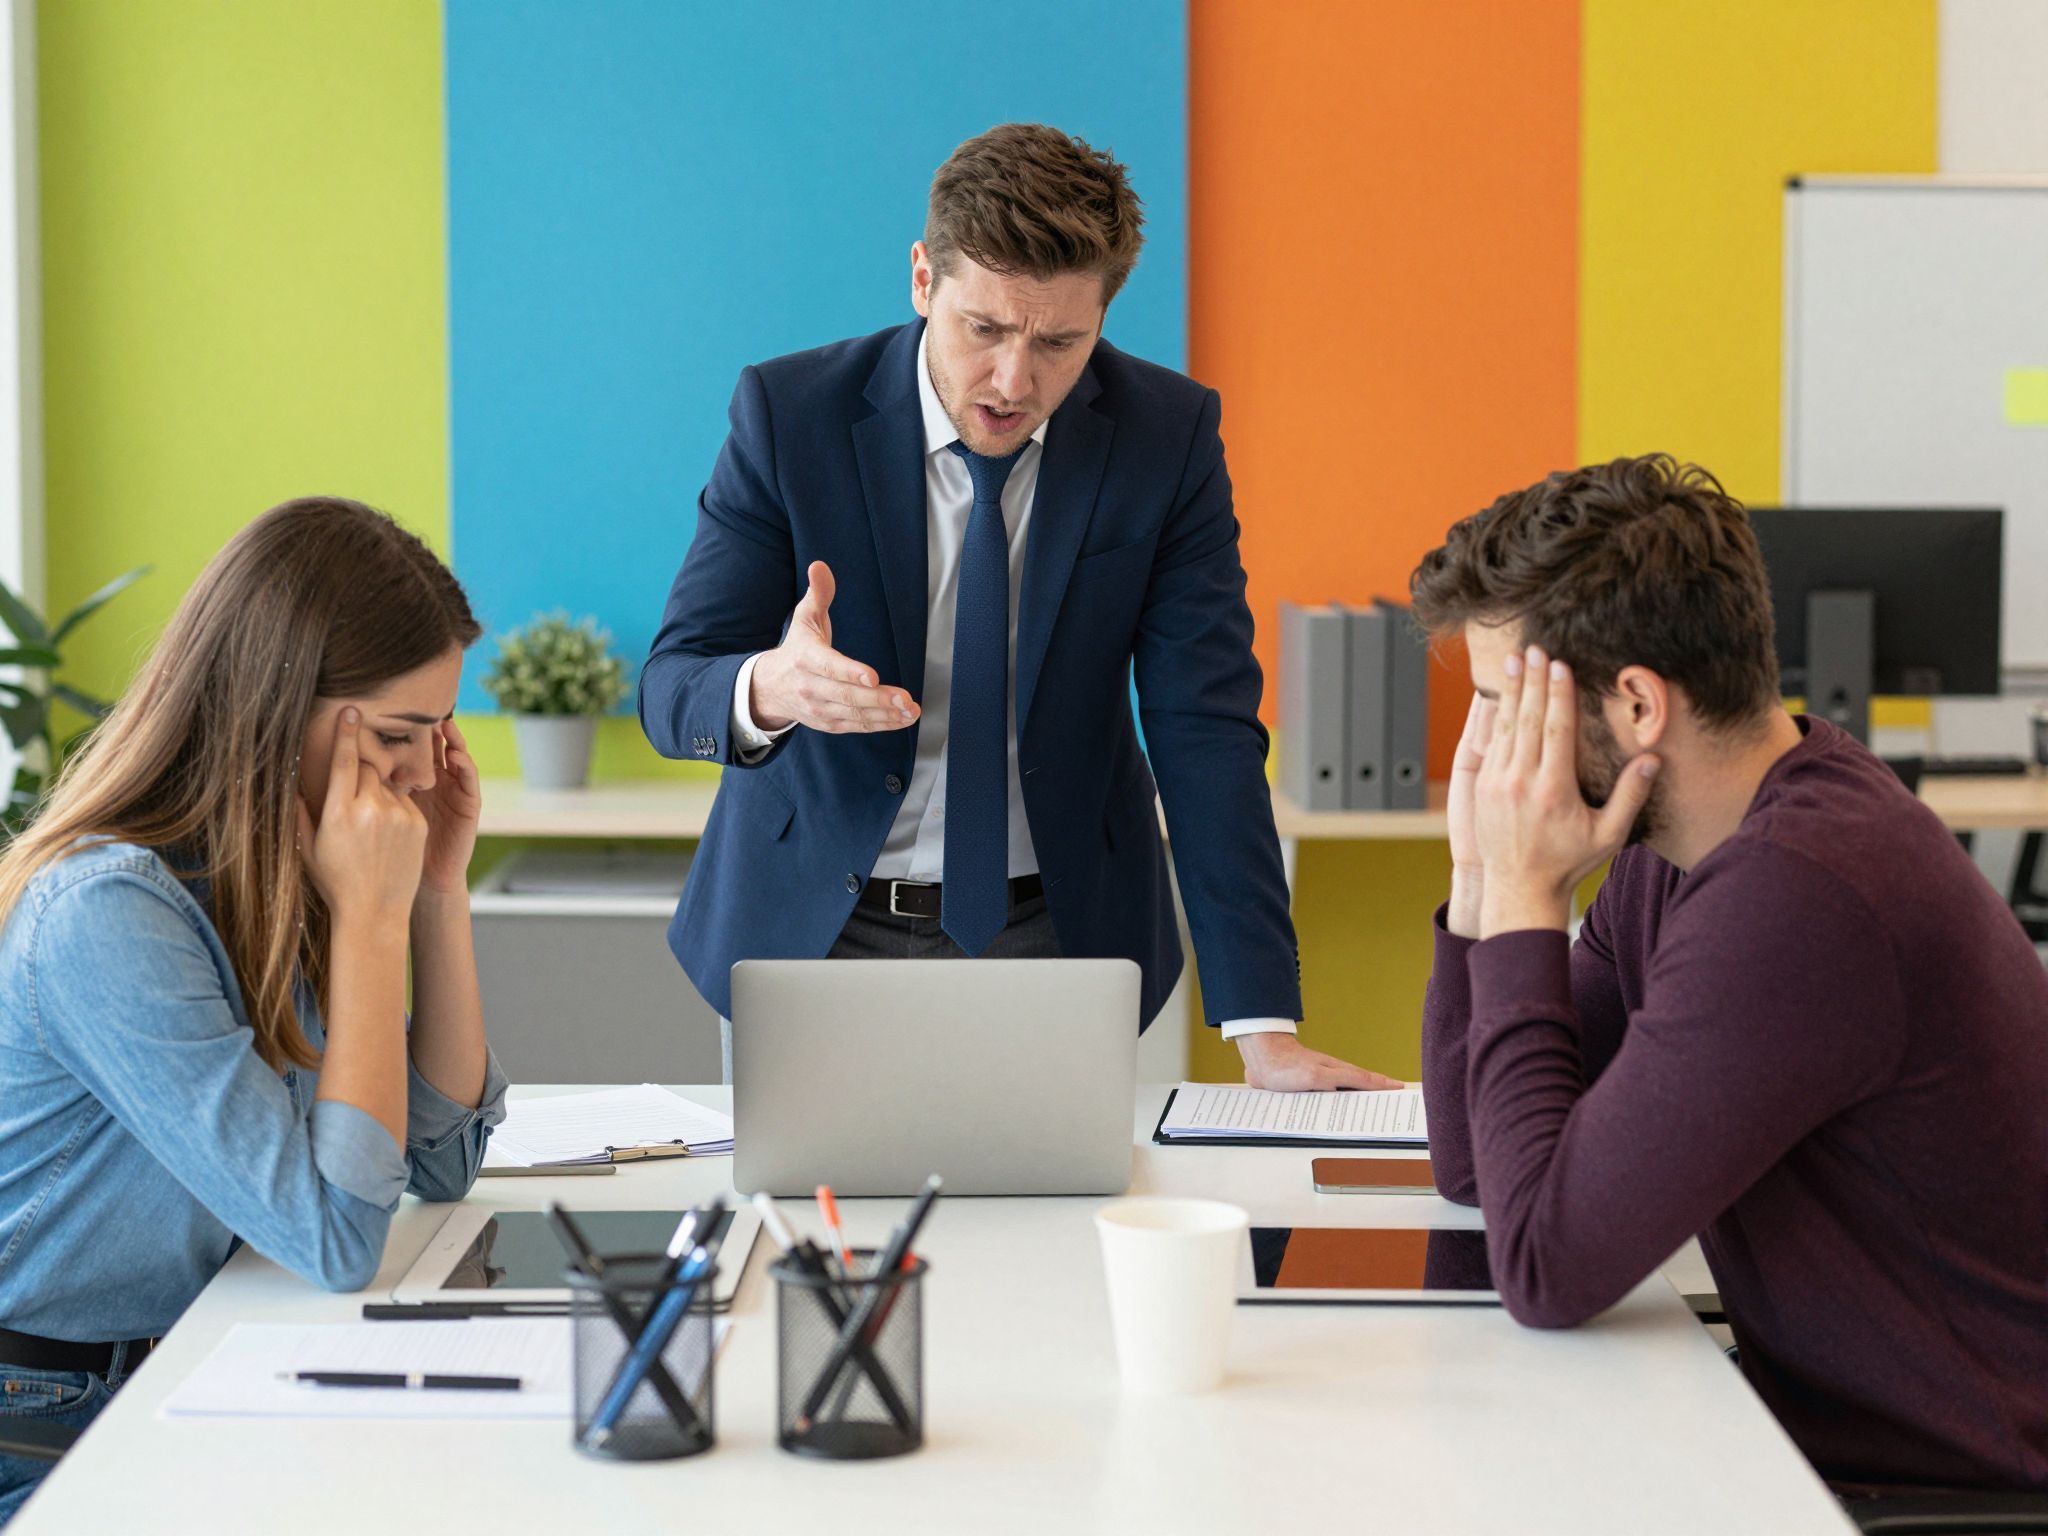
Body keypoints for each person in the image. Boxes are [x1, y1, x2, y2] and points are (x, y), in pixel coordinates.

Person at [642, 122, 1391, 1090]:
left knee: (1058, 1236)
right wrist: (766, 688)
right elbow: (671, 686)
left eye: (1057, 342)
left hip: (1059, 938)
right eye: (982, 329)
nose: (1012, 381)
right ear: (922, 280)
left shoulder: (1165, 438)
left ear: (1103, 319)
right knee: (815, 1241)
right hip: (806, 937)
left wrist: (1262, 1029)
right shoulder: (791, 417)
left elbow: (1202, 726)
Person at [1409, 454, 2048, 1495]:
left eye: (1506, 706)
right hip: (1814, 1443)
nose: (1486, 753)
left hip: (1951, 1488)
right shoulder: (1689, 851)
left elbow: (1542, 1267)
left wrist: (1529, 901)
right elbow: (1479, 1166)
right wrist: (1481, 882)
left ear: (1634, 705)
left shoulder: (1800, 896)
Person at [0, 498, 507, 1524]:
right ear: (277, 709)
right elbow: (335, 1236)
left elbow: (439, 1165)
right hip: (44, 1411)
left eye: (439, 732)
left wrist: (436, 894)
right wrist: (369, 924)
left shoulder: (281, 873)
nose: (419, 772)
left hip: (184, 1356)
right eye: (402, 735)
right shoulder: (110, 914)